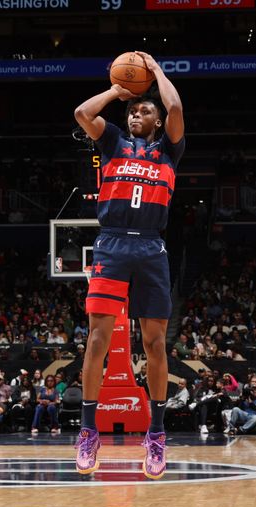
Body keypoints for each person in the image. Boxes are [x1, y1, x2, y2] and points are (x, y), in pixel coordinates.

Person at [73, 50, 185, 479]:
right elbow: (83, 111)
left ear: (155, 122)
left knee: (155, 344)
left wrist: (155, 71)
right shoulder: (113, 140)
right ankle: (87, 432)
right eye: (133, 111)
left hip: (152, 248)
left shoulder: (170, 153)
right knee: (97, 340)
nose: (136, 114)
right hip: (111, 245)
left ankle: (155, 434)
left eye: (144, 111)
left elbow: (174, 106)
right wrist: (118, 90)